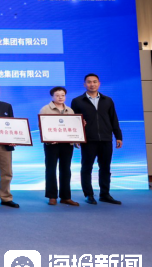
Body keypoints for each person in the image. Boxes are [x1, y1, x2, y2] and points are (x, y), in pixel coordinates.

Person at [70, 73, 123, 205]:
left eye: (94, 82)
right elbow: (73, 121)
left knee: (105, 168)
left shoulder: (108, 100)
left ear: (99, 84)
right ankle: (89, 194)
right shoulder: (77, 101)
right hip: (88, 140)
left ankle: (105, 194)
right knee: (86, 168)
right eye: (89, 82)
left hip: (106, 139)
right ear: (84, 84)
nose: (92, 84)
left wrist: (118, 136)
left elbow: (114, 119)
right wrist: (76, 138)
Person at [39, 86, 79, 206]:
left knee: (66, 169)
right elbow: (41, 126)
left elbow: (74, 127)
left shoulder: (70, 110)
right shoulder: (45, 109)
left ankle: (65, 197)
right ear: (52, 97)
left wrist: (78, 135)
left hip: (67, 144)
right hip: (51, 144)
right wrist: (48, 139)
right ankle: (52, 196)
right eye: (57, 95)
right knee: (51, 169)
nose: (60, 97)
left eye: (62, 95)